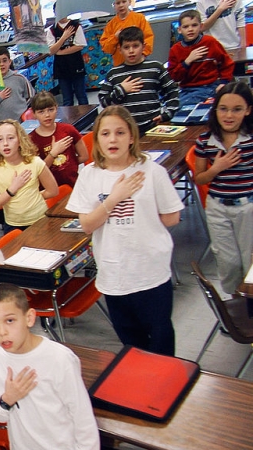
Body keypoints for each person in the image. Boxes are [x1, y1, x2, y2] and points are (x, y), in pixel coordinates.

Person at [67, 105, 183, 356]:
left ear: (132, 137)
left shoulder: (152, 172)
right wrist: (114, 199)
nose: (112, 139)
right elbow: (87, 224)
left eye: (120, 132)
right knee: (130, 341)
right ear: (96, 139)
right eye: (105, 133)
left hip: (150, 271)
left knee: (160, 336)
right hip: (114, 273)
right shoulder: (89, 175)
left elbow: (172, 216)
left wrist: (144, 220)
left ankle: (166, 387)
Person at [0, 284, 100, 450]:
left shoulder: (60, 359)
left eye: (10, 320)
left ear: (29, 318)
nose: (2, 332)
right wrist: (7, 399)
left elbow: (83, 420)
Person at [193, 81, 253, 295]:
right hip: (218, 207)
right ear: (215, 110)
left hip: (248, 207)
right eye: (223, 109)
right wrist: (217, 168)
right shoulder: (205, 140)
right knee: (228, 262)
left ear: (248, 110)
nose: (229, 115)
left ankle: (250, 309)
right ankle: (234, 303)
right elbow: (199, 178)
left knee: (250, 261)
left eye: (237, 109)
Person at [98, 27, 179, 134]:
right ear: (120, 49)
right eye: (126, 47)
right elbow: (104, 101)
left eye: (135, 46)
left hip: (153, 127)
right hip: (126, 131)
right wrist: (121, 89)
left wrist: (167, 114)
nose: (131, 51)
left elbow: (172, 91)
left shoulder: (155, 67)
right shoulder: (114, 74)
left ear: (143, 46)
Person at [0, 119, 59, 232]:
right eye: (0, 139)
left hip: (40, 220)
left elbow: (53, 191)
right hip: (13, 225)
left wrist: (32, 196)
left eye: (10, 138)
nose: (5, 143)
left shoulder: (35, 163)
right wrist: (11, 190)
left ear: (20, 140)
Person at [168, 10, 234, 107]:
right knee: (171, 106)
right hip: (186, 89)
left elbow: (227, 63)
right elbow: (174, 76)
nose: (190, 29)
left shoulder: (209, 42)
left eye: (194, 25)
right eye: (186, 27)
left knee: (183, 105)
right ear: (179, 30)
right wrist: (187, 61)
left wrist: (223, 82)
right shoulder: (175, 49)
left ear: (201, 26)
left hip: (209, 86)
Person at [28, 91, 89, 187]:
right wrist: (53, 154)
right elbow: (37, 172)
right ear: (34, 114)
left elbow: (84, 156)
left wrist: (69, 164)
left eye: (51, 110)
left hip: (73, 185)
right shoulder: (31, 140)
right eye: (41, 112)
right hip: (50, 191)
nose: (47, 115)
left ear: (56, 108)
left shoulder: (68, 130)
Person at [0, 47, 35, 124]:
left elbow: (31, 97)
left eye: (4, 61)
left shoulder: (20, 78)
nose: (1, 64)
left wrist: (21, 109)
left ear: (10, 62)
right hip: (1, 128)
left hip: (21, 125)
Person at [46, 4, 89, 106]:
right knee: (67, 98)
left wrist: (60, 52)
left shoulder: (76, 26)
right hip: (61, 68)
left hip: (76, 64)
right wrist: (63, 38)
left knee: (81, 95)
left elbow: (79, 46)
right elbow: (51, 51)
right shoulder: (51, 30)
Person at [100, 0, 154, 66]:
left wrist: (143, 54)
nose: (121, 5)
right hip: (120, 65)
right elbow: (106, 48)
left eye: (124, 1)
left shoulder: (139, 19)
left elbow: (148, 39)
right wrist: (115, 37)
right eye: (118, 3)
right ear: (114, 5)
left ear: (129, 2)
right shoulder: (111, 25)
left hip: (139, 62)